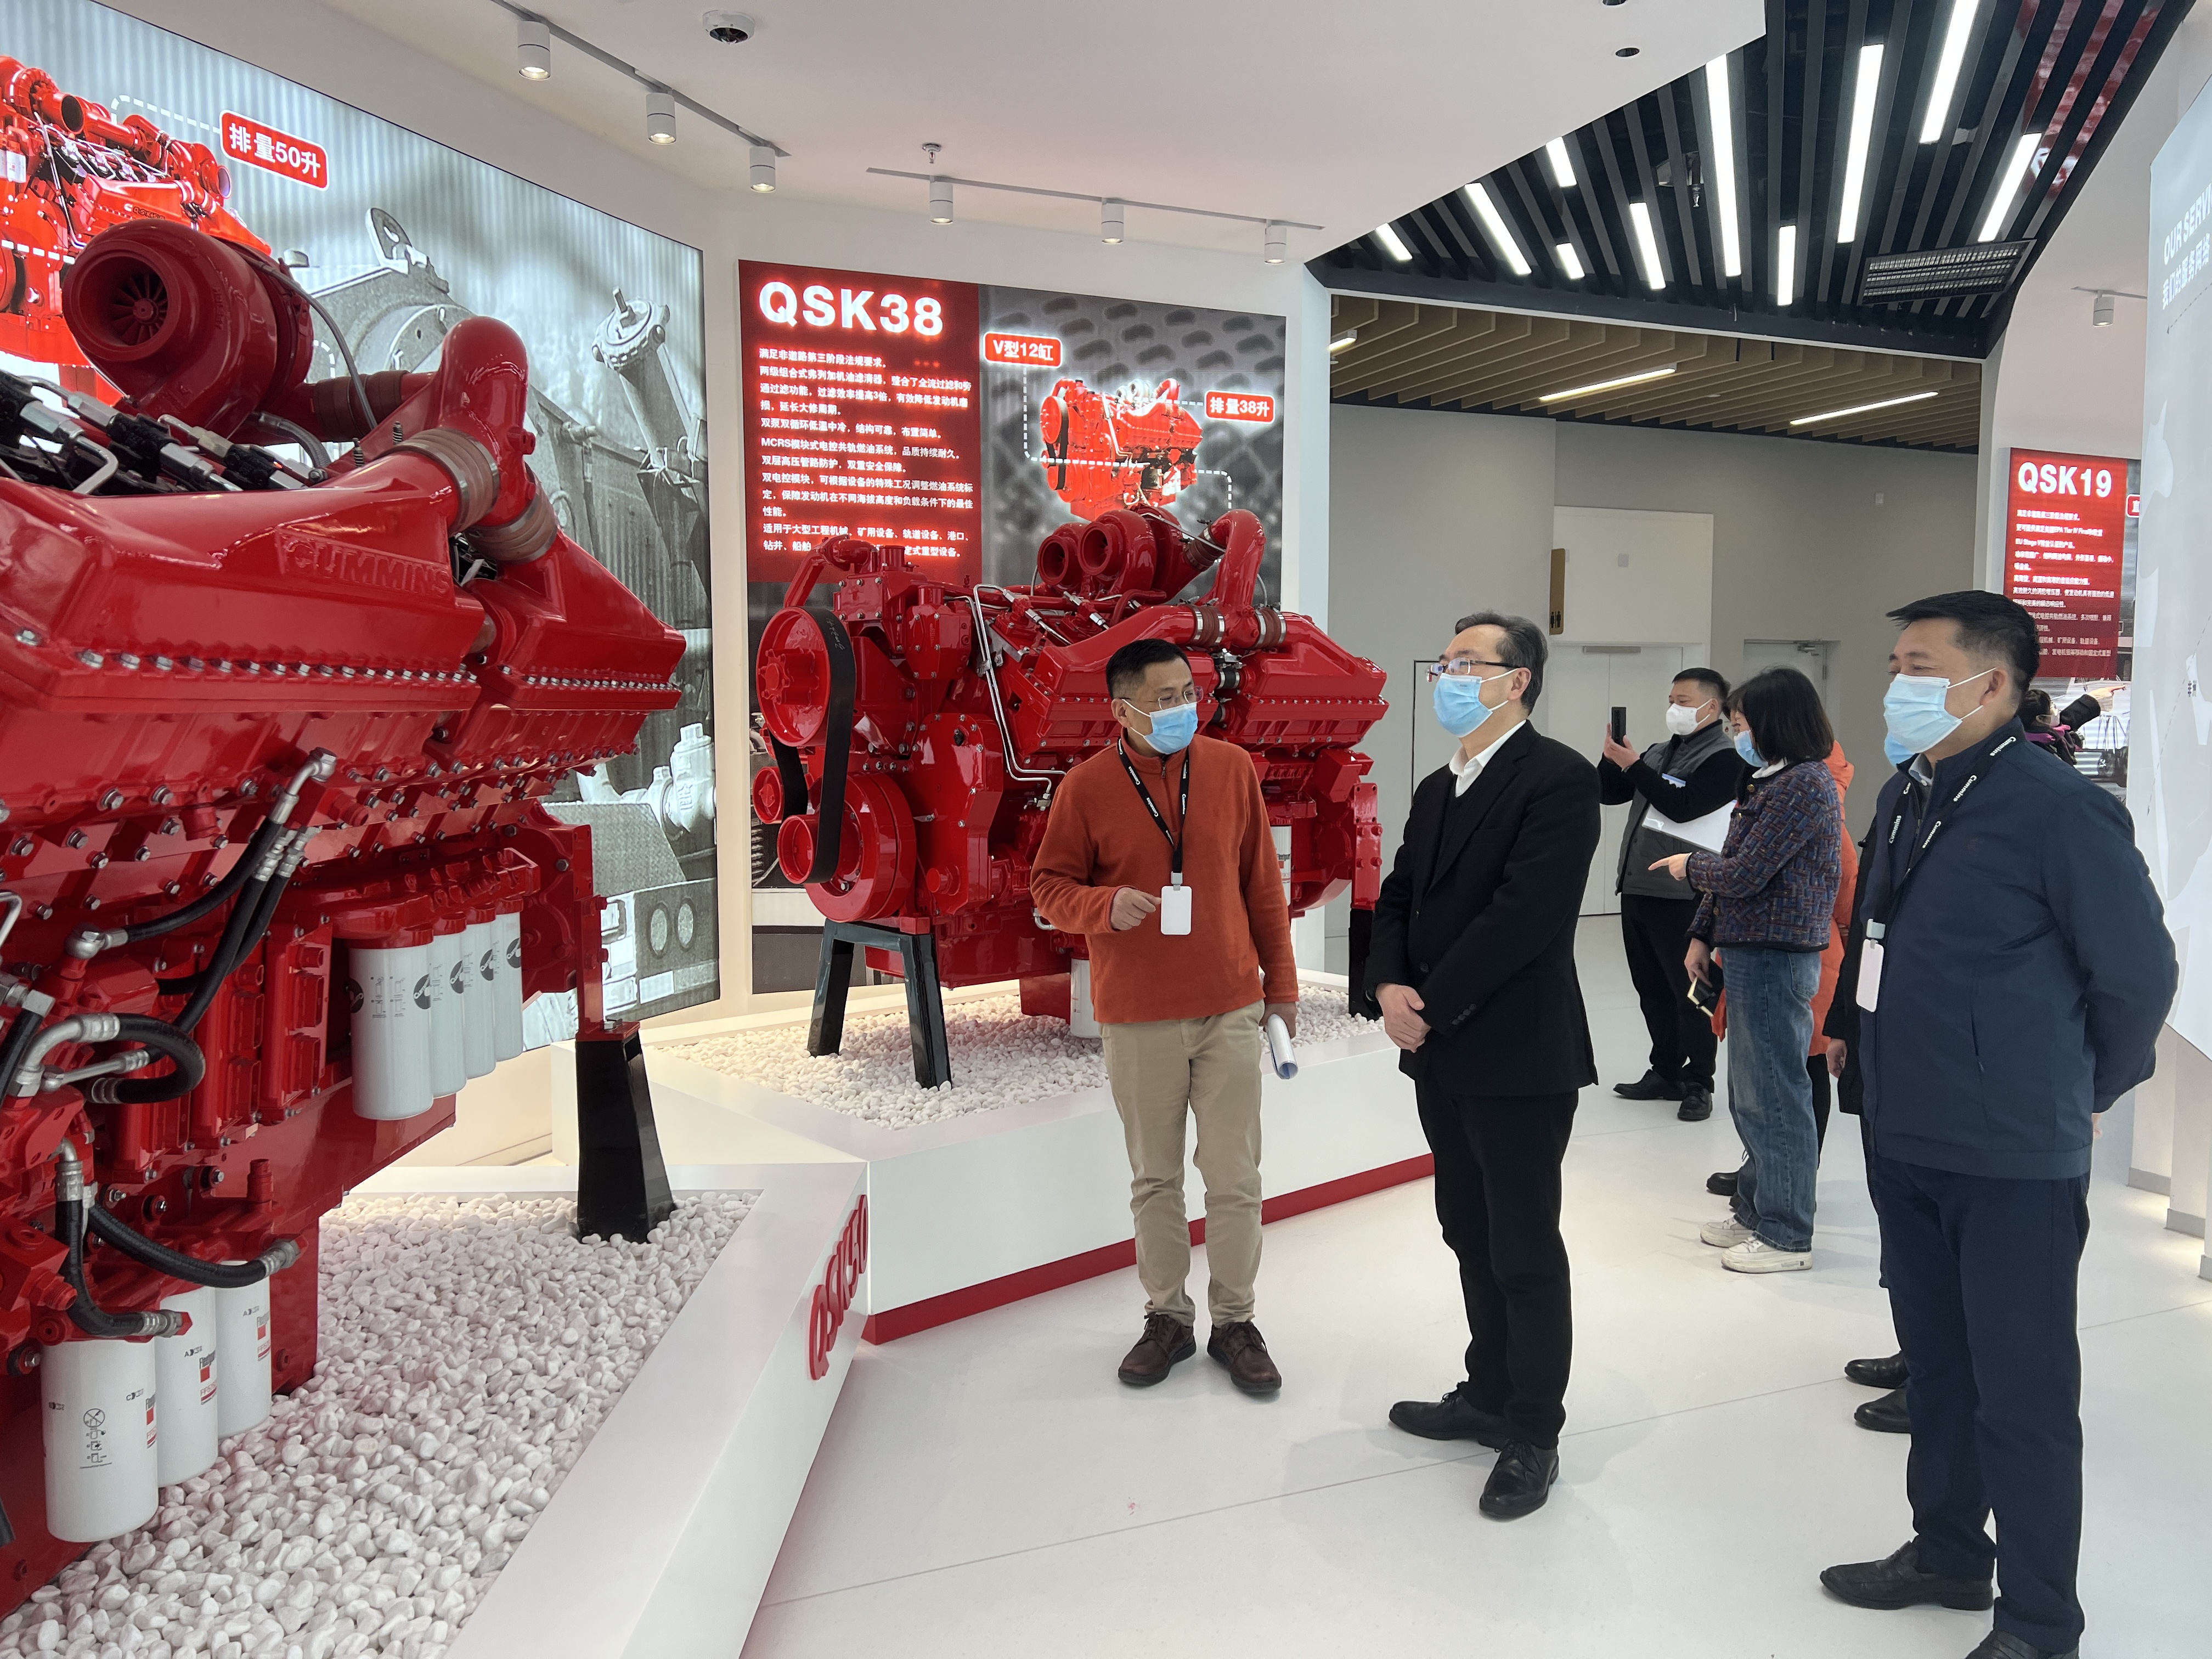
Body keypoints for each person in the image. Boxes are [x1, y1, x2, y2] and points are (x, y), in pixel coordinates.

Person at [1818, 591, 2175, 1659]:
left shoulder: (2057, 808)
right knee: (1938, 1370)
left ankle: (2039, 1619)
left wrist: (2083, 1087)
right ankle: (1946, 1553)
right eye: (1896, 663)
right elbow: (1878, 934)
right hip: (1906, 1132)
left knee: (2022, 1393)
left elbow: (2137, 973)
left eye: (1921, 666)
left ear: (1995, 684)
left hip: (2013, 1153)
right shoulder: (1911, 789)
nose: (1899, 683)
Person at [1368, 611, 1601, 1521]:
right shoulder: (1439, 784)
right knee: (1466, 1227)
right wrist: (1387, 983)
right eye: (1446, 661)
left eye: (1469, 662)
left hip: (1517, 1052)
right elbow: (1398, 894)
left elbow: (1524, 916)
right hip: (1442, 1055)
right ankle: (1489, 1390)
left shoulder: (1559, 780)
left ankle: (1533, 1429)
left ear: (1518, 680)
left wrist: (1427, 1006)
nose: (1450, 675)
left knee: (1523, 1246)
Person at [1030, 636, 1299, 1397]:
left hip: (1229, 1007)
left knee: (1235, 1177)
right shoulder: (1085, 787)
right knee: (1155, 1179)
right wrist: (1104, 905)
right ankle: (1168, 1318)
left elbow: (1263, 888)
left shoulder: (1231, 769)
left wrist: (1280, 989)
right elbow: (1048, 887)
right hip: (1139, 1014)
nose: (1184, 708)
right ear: (1122, 711)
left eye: (1189, 694)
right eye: (1165, 699)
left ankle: (1236, 1322)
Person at [1650, 667, 1840, 1273]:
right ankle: (1756, 1210)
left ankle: (1787, 1233)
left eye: (1742, 723)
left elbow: (1744, 872)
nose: (1739, 734)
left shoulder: (1806, 784)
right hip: (1747, 948)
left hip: (1779, 953)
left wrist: (1688, 867)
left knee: (1777, 1096)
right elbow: (1735, 862)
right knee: (1753, 1097)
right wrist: (1701, 934)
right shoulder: (1767, 779)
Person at [1706, 737, 1858, 1193]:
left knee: (1800, 1070)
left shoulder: (1815, 808)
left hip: (1808, 955)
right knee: (1762, 1078)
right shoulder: (1762, 798)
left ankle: (1793, 1178)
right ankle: (1765, 1170)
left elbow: (1848, 896)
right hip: (1761, 949)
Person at [1599, 668, 1747, 1122]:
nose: (1674, 709)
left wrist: (1635, 767)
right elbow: (1608, 794)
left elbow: (1684, 807)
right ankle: (1664, 1070)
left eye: (1684, 701)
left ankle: (1699, 1081)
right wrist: (1613, 758)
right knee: (1652, 989)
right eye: (1671, 700)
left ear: (1712, 707)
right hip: (1638, 887)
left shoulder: (1725, 760)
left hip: (1686, 894)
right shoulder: (1657, 752)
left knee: (1691, 992)